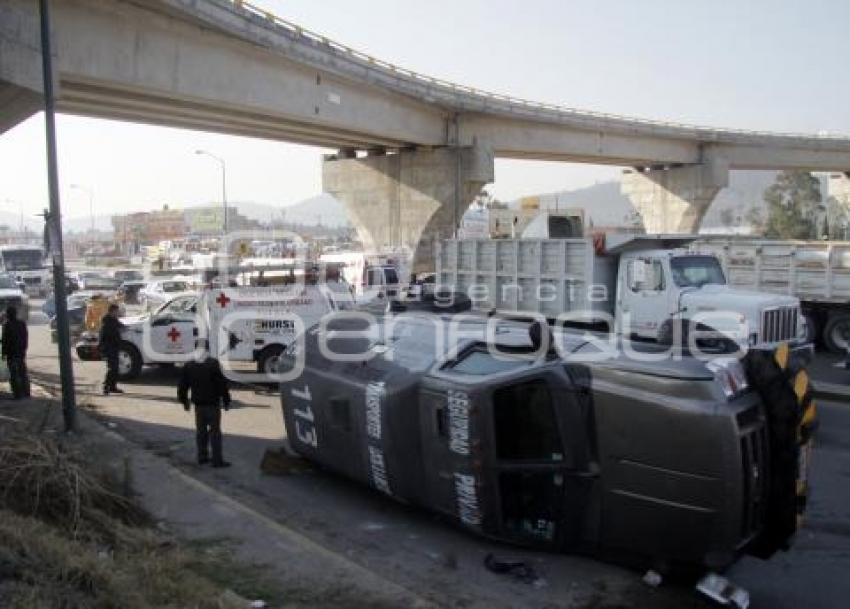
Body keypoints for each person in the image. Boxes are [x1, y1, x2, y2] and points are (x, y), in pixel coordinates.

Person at [178, 340, 231, 467]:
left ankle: (202, 457)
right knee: (215, 433)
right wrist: (226, 400)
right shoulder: (213, 364)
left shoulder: (189, 365)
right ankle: (217, 460)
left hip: (198, 406)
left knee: (201, 432)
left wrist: (184, 401)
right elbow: (222, 385)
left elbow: (182, 386)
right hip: (212, 404)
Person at [1, 306, 30, 399]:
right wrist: (24, 349)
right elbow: (25, 337)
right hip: (20, 352)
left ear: (8, 315)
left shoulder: (7, 325)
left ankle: (17, 394)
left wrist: (3, 353)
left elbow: (5, 340)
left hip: (11, 353)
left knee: (14, 375)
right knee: (22, 373)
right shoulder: (22, 323)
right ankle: (26, 392)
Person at [99, 303, 125, 395]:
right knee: (112, 368)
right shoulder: (106, 322)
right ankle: (106, 387)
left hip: (114, 347)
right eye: (117, 311)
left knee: (116, 368)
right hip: (109, 348)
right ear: (112, 311)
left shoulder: (113, 320)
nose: (118, 313)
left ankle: (113, 387)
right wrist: (103, 350)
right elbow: (104, 337)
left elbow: (120, 325)